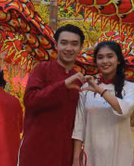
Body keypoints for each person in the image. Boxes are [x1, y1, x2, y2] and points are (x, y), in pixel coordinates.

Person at [19, 24, 86, 166]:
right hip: (36, 152)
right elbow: (30, 100)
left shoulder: (80, 80)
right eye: (64, 43)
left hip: (65, 155)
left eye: (74, 44)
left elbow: (79, 122)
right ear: (56, 46)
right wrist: (63, 85)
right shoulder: (42, 69)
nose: (69, 48)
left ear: (80, 48)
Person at [72, 41, 134, 166]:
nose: (105, 61)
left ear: (118, 60)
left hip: (120, 155)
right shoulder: (86, 88)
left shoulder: (130, 88)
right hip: (92, 155)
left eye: (110, 56)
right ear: (96, 62)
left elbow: (124, 110)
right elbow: (79, 125)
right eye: (100, 57)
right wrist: (76, 158)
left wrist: (100, 90)